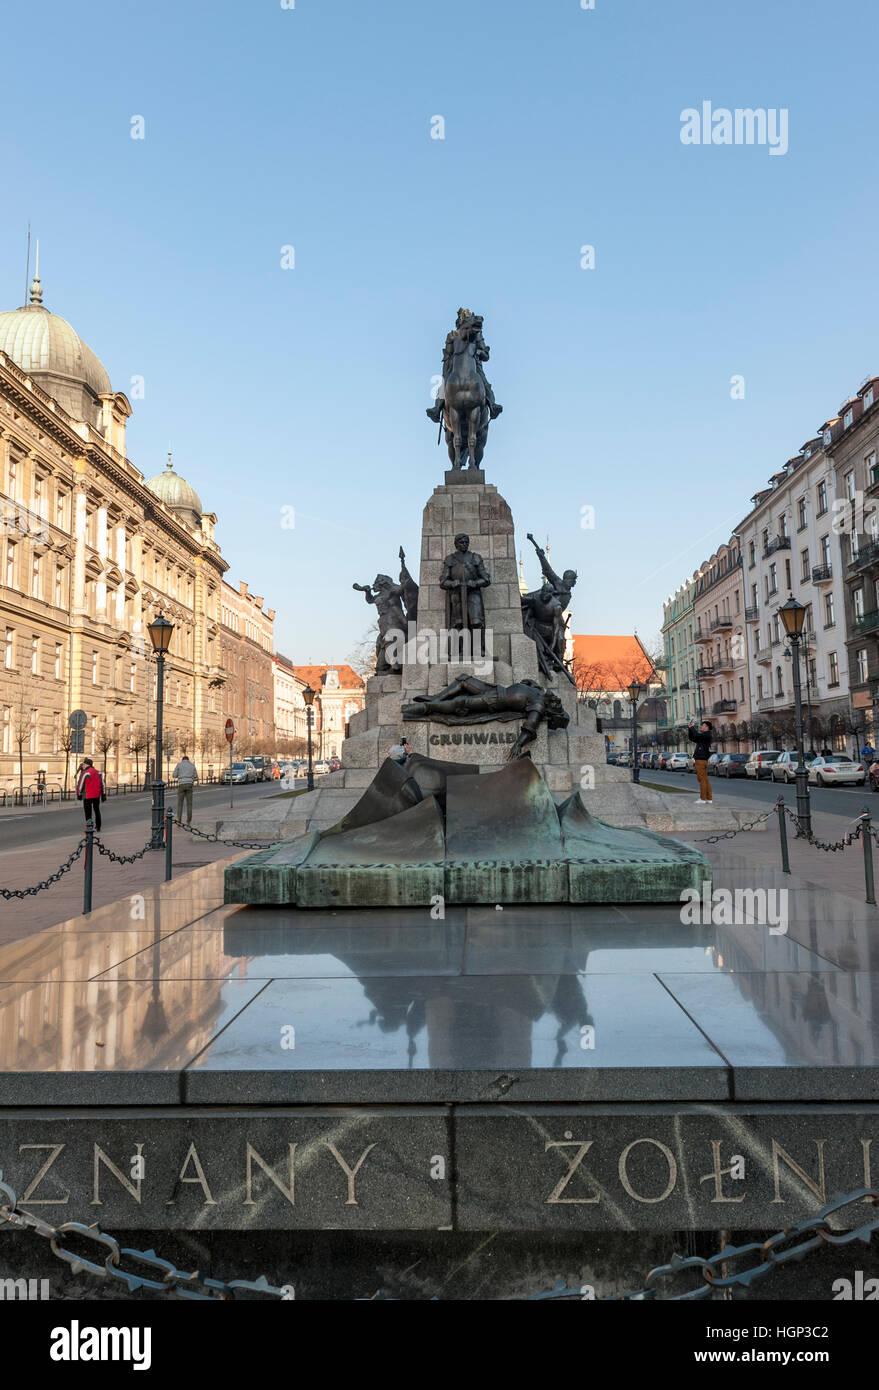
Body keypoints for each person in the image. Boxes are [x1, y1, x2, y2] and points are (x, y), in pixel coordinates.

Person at [687, 720, 714, 804]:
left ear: (707, 727)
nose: (701, 727)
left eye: (702, 726)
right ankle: (709, 798)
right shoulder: (704, 736)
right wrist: (690, 729)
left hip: (701, 760)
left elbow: (697, 735)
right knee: (705, 779)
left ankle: (702, 798)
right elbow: (692, 737)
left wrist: (692, 727)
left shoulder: (706, 735)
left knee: (701, 779)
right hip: (703, 759)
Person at [75, 758, 106, 831]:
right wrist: (103, 794)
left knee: (88, 812)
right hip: (96, 795)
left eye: (83, 764)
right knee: (97, 810)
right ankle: (98, 827)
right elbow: (103, 784)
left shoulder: (86, 773)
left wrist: (78, 794)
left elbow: (80, 784)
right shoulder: (98, 772)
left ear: (86, 764)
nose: (83, 766)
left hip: (87, 796)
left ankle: (89, 827)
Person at [173, 751, 198, 825]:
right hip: (189, 784)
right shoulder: (192, 765)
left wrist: (180, 775)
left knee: (180, 803)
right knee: (189, 804)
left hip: (181, 784)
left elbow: (174, 775)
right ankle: (188, 820)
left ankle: (179, 820)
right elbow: (196, 776)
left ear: (182, 759)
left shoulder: (179, 765)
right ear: (188, 759)